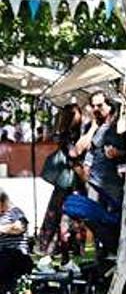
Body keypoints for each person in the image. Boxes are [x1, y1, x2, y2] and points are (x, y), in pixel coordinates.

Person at [38, 103, 86, 262]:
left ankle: (66, 254)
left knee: (66, 219)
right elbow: (74, 154)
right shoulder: (70, 135)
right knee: (68, 219)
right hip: (70, 184)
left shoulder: (68, 133)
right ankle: (67, 255)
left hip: (66, 184)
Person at [82, 91, 126, 206]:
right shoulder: (91, 126)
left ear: (109, 105)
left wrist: (119, 153)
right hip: (93, 183)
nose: (95, 109)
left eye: (100, 105)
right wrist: (86, 165)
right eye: (93, 106)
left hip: (115, 185)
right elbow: (85, 149)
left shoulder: (121, 126)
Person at [0, 190, 33, 294]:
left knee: (5, 257)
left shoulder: (15, 212)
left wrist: (2, 229)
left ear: (3, 202)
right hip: (4, 254)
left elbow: (20, 227)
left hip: (19, 255)